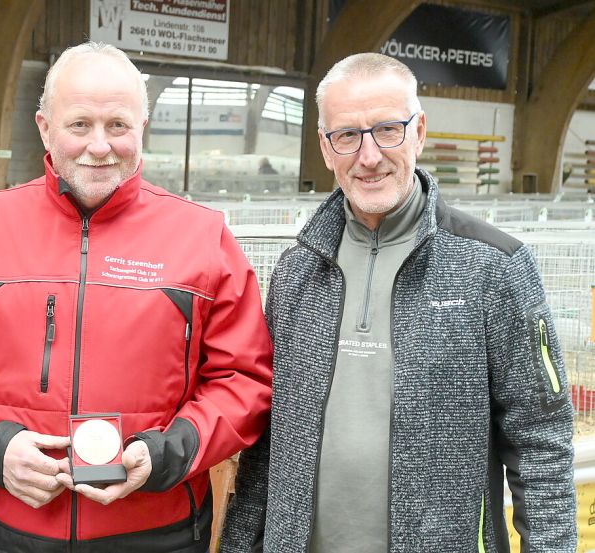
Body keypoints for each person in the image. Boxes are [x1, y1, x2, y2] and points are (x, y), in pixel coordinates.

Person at [0, 42, 273, 552]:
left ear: (141, 129)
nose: (99, 146)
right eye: (79, 125)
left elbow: (242, 377)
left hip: (155, 532)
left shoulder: (202, 237)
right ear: (44, 128)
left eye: (118, 126)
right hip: (14, 529)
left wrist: (169, 453)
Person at [220, 52, 576, 552]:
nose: (368, 157)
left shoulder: (493, 268)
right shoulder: (297, 271)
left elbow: (542, 440)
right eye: (347, 135)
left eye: (388, 129)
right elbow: (266, 439)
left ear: (420, 131)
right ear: (326, 148)